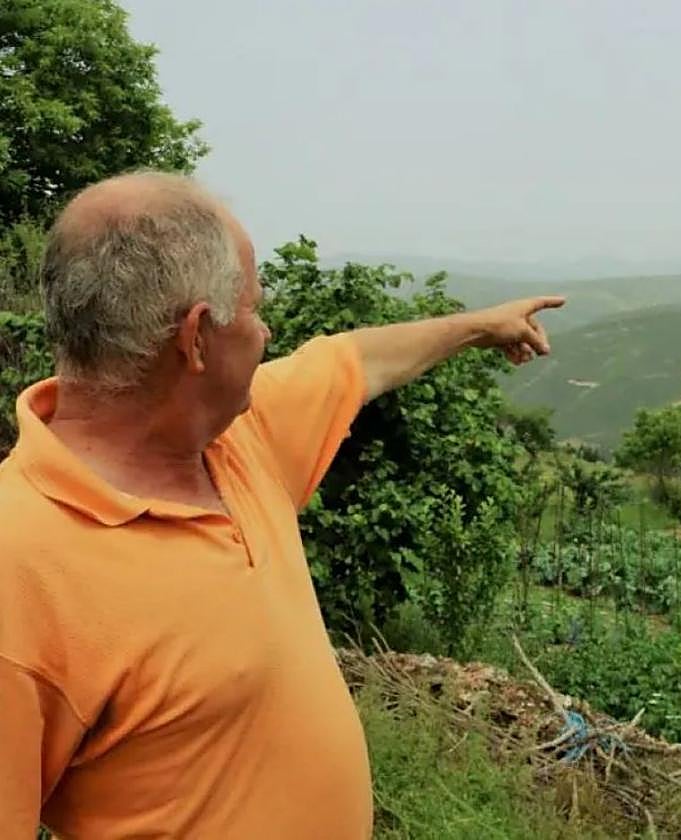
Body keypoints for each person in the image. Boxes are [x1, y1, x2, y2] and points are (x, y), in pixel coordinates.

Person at [0, 171, 563, 838]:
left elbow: (354, 361)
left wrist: (479, 327)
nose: (267, 334)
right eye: (257, 310)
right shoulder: (22, 564)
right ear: (197, 338)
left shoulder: (237, 438)